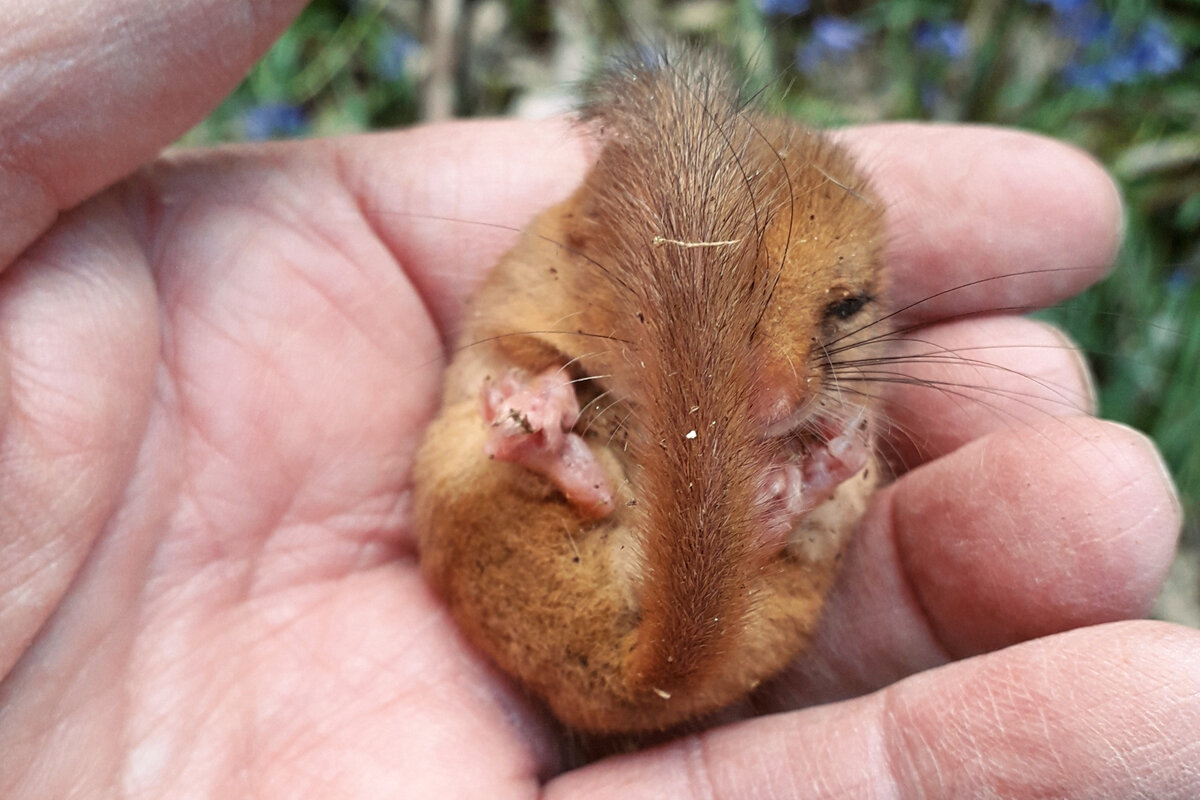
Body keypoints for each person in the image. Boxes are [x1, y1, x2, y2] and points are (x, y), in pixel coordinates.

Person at [1, 2, 1195, 797]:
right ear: (598, 242)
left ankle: (725, 513)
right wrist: (538, 406)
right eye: (719, 312)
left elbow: (824, 407)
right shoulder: (563, 266)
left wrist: (821, 460)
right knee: (489, 433)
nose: (780, 378)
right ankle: (578, 473)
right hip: (551, 586)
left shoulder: (825, 379)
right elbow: (509, 345)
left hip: (722, 632)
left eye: (837, 318)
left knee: (833, 472)